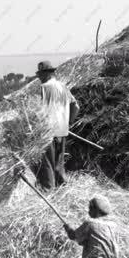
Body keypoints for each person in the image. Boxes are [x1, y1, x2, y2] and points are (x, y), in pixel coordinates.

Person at [35, 60, 79, 190]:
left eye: (41, 75)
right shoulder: (63, 87)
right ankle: (63, 192)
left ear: (47, 74)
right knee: (59, 166)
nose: (40, 79)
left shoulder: (44, 88)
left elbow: (40, 111)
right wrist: (69, 122)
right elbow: (76, 106)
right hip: (62, 131)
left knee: (47, 165)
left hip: (49, 132)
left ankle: (48, 192)